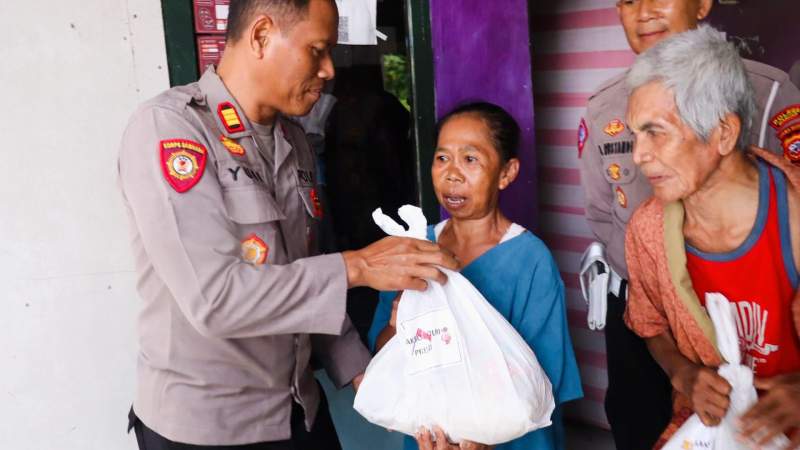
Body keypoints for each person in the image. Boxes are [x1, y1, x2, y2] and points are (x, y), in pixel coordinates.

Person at [117, 1, 458, 449]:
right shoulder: (172, 130)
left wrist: (367, 375)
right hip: (209, 429)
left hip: (300, 412)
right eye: (317, 50)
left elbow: (303, 279)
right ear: (261, 36)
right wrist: (356, 267)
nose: (329, 69)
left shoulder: (292, 141)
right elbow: (214, 299)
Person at [577, 1, 800, 447]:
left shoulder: (768, 93)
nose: (640, 156)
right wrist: (680, 364)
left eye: (657, 131)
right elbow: (603, 216)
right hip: (658, 318)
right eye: (626, 0)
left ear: (724, 133)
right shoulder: (606, 108)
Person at [368, 102, 583, 450]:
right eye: (442, 158)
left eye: (470, 159)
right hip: (432, 440)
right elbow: (382, 356)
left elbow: (546, 377)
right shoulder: (413, 251)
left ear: (507, 172)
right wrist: (396, 325)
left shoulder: (529, 260)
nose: (452, 174)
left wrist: (482, 437)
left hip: (515, 439)